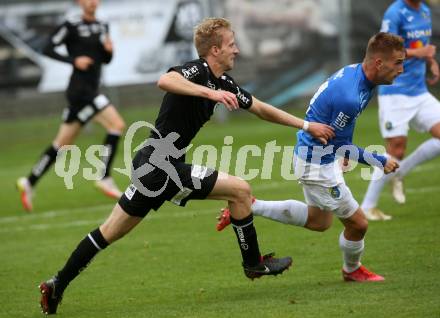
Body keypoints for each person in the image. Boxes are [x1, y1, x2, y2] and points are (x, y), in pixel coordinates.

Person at [38, 17, 335, 315]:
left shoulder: (225, 82)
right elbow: (165, 80)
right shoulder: (200, 70)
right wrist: (209, 93)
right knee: (241, 191)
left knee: (107, 233)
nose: (237, 50)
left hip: (152, 168)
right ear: (215, 50)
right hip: (159, 166)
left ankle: (56, 285)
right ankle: (253, 264)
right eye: (232, 44)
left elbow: (260, 108)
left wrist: (307, 125)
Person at [216, 32, 404, 282]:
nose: (401, 69)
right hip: (317, 163)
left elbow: (340, 130)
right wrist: (379, 160)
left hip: (316, 155)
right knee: (358, 224)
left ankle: (249, 207)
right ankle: (352, 270)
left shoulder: (359, 75)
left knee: (319, 221)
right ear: (379, 63)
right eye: (398, 63)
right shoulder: (351, 94)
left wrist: (344, 146)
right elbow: (338, 139)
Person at [17, 0, 125, 212]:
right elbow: (47, 48)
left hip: (90, 90)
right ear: (79, 2)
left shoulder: (103, 26)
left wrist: (109, 52)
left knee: (62, 144)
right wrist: (73, 60)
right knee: (117, 125)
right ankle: (103, 177)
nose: (92, 2)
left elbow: (105, 59)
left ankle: (29, 182)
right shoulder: (71, 25)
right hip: (81, 91)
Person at [361, 0, 440, 221]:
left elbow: (420, 46)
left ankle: (400, 171)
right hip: (395, 92)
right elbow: (384, 49)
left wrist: (430, 60)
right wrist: (420, 52)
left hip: (419, 91)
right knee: (396, 150)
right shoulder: (395, 12)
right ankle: (368, 206)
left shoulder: (424, 10)